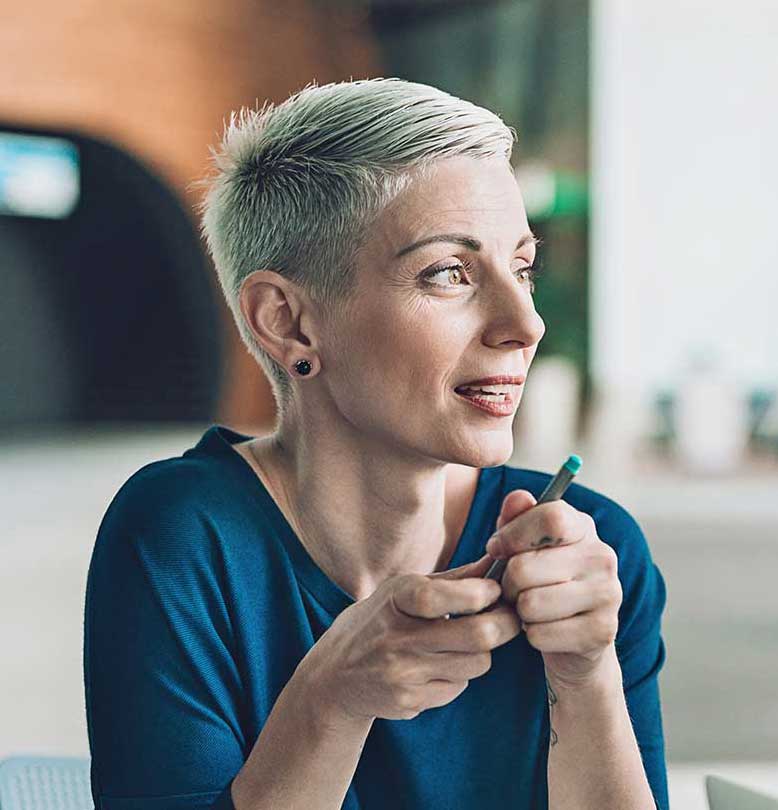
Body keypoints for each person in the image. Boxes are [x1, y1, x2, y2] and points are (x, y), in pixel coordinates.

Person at [83, 78, 668, 810]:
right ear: (289, 323)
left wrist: (586, 678)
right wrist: (331, 702)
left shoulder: (593, 552)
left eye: (521, 267)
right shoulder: (182, 538)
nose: (525, 322)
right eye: (448, 273)